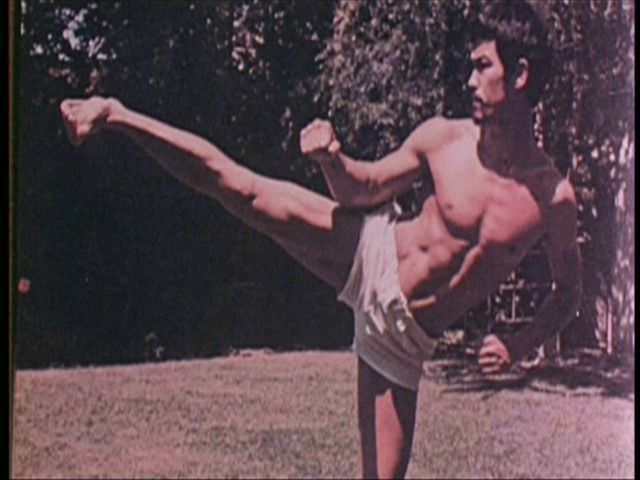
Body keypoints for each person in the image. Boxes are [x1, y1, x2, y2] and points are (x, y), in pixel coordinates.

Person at [60, 2, 581, 477]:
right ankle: (115, 114)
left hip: (404, 342)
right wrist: (332, 160)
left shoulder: (553, 197)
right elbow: (365, 186)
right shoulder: (444, 138)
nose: (469, 80)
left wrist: (517, 345)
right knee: (240, 188)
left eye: (482, 66)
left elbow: (567, 294)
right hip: (373, 255)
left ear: (520, 74)